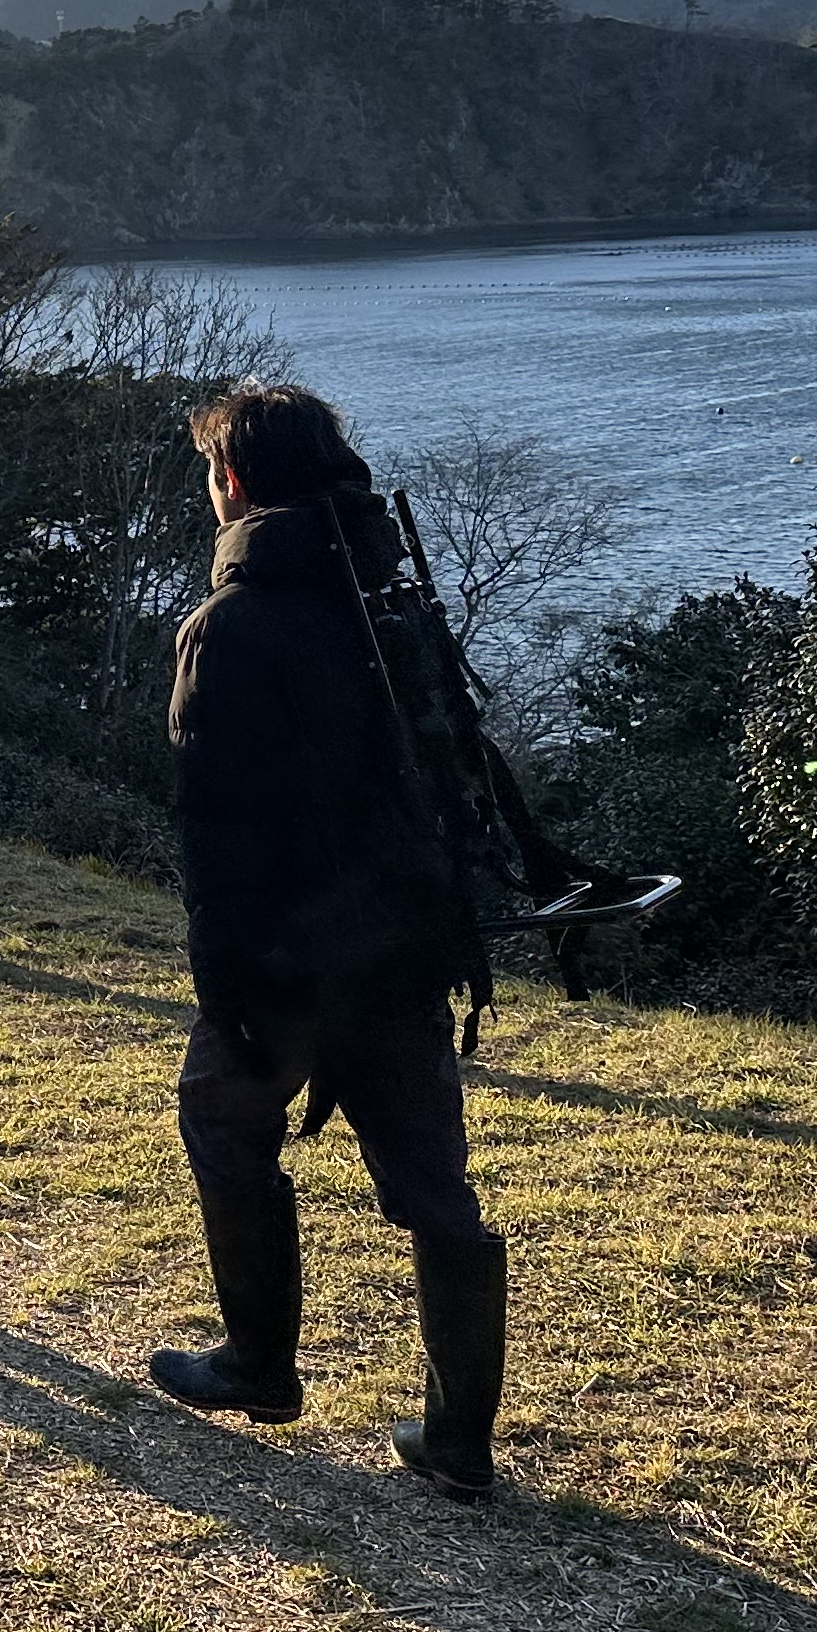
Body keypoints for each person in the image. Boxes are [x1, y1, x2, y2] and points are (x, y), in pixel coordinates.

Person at [146, 381, 512, 1504]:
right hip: (403, 940)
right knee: (433, 1184)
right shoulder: (385, 605)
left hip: (291, 954)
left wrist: (228, 978)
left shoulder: (232, 625)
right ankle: (457, 1437)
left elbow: (222, 832)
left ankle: (260, 1366)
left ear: (237, 483)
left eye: (214, 473)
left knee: (221, 1119)